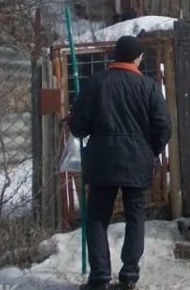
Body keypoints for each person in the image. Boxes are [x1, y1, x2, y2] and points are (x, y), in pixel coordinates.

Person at [69, 35, 171, 290]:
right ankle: (129, 275)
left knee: (96, 219)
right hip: (137, 160)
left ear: (115, 56)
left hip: (102, 161)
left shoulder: (95, 83)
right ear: (137, 58)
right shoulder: (148, 87)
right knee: (135, 216)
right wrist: (152, 151)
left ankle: (99, 277)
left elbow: (78, 127)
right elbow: (162, 126)